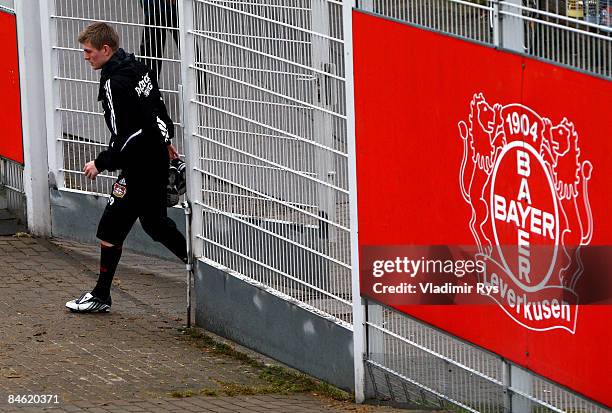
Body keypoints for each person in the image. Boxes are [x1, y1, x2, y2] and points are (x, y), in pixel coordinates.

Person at [66, 22, 187, 313]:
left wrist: (101, 162)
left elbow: (127, 135)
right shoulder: (139, 67)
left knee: (111, 227)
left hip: (139, 166)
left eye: (89, 52)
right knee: (155, 224)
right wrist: (165, 140)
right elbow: (156, 107)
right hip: (155, 157)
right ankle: (199, 265)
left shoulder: (114, 83)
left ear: (105, 50)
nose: (85, 57)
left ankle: (100, 295)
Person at [139, 0, 178, 79]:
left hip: (159, 8)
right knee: (150, 53)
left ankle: (198, 85)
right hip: (155, 8)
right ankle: (147, 86)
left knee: (150, 54)